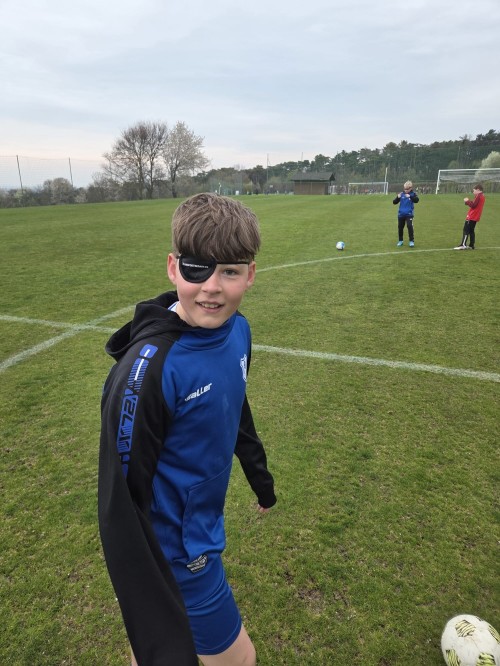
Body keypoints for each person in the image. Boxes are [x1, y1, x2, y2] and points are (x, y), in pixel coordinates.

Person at [98, 192, 277, 666]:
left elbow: (235, 405)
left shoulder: (239, 331)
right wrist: (149, 592)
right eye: (198, 269)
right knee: (239, 660)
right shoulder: (147, 372)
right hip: (177, 553)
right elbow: (120, 501)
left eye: (230, 272)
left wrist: (259, 478)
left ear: (251, 274)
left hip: (200, 526)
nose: (212, 288)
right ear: (173, 268)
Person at [454, 184, 486, 250]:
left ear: (478, 190)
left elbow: (473, 205)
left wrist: (467, 201)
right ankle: (471, 245)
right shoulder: (481, 196)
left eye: (474, 190)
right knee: (471, 230)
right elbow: (474, 203)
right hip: (475, 216)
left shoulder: (478, 196)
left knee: (466, 230)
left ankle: (463, 245)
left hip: (472, 216)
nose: (473, 192)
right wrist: (467, 202)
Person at [393, 180, 419, 247]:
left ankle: (411, 241)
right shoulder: (401, 194)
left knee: (409, 226)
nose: (405, 190)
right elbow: (394, 202)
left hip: (409, 214)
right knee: (400, 227)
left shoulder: (413, 194)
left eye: (407, 189)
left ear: (410, 188)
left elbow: (417, 200)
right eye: (405, 189)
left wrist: (410, 196)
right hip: (401, 214)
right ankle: (400, 241)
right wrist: (397, 197)